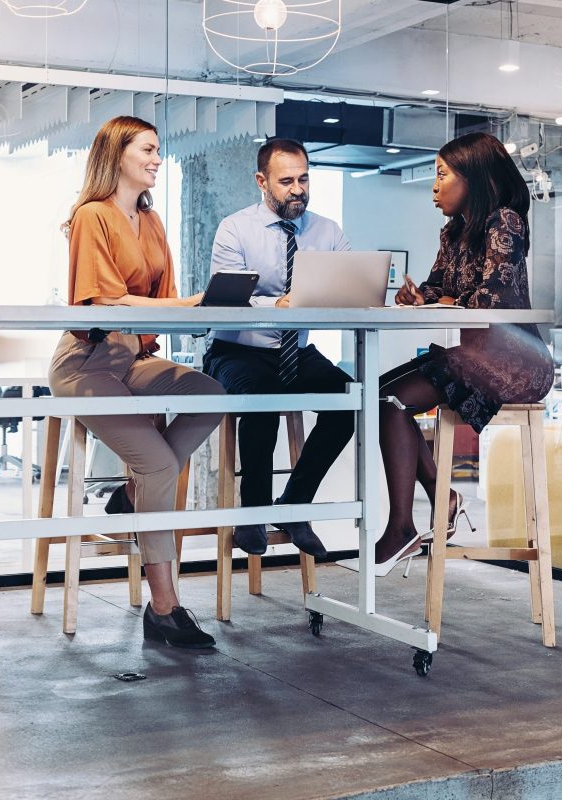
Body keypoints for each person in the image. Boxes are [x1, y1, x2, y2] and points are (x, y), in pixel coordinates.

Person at [49, 114, 224, 650]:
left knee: (211, 394)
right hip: (86, 363)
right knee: (159, 464)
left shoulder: (151, 222)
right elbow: (103, 302)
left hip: (134, 356)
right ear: (116, 156)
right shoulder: (92, 216)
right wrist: (188, 303)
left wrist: (199, 306)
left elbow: (159, 309)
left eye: (157, 149)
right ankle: (165, 609)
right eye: (147, 149)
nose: (156, 158)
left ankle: (135, 494)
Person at [357, 132, 553, 575]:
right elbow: (439, 286)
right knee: (376, 398)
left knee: (390, 401)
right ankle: (440, 496)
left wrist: (439, 302)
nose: (434, 186)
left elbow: (492, 300)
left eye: (443, 175)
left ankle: (403, 526)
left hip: (517, 364)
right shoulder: (454, 231)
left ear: (474, 178)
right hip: (474, 357)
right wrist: (418, 296)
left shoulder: (506, 222)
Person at [203, 138, 354, 560]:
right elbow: (228, 299)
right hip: (237, 350)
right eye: (286, 181)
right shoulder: (235, 228)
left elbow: (346, 289)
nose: (298, 189)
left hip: (296, 352)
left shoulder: (328, 232)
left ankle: (293, 505)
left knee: (349, 400)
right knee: (262, 397)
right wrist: (277, 304)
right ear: (262, 182)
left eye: (304, 179)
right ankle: (252, 511)